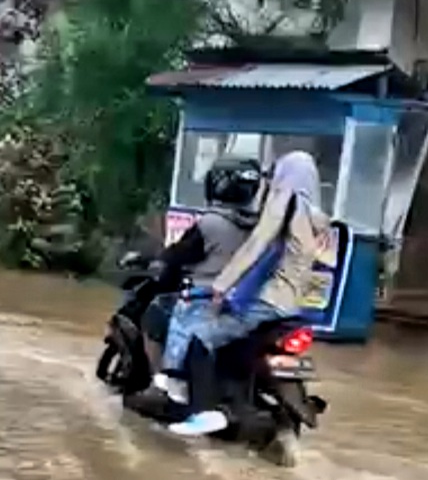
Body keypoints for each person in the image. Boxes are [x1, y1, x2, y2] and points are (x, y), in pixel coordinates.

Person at [167, 150, 331, 437]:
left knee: (200, 339)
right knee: (233, 343)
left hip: (268, 301)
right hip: (293, 308)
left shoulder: (283, 202)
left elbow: (256, 245)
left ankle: (204, 412)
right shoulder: (317, 218)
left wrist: (221, 286)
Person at [131, 158, 261, 408]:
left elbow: (178, 255)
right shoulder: (261, 226)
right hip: (249, 303)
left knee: (157, 314)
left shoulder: (210, 223)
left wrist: (152, 260)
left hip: (206, 297)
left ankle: (166, 384)